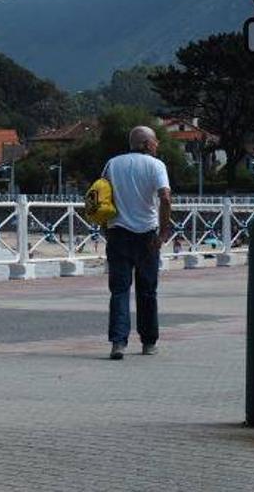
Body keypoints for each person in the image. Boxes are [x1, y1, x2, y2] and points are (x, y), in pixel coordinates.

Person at [101, 125, 173, 360]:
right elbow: (165, 197)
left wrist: (105, 230)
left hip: (118, 234)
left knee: (119, 291)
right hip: (147, 237)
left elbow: (101, 196)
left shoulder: (113, 164)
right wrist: (163, 233)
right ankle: (149, 342)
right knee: (147, 291)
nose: (157, 145)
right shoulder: (156, 165)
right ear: (146, 144)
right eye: (155, 142)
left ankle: (118, 343)